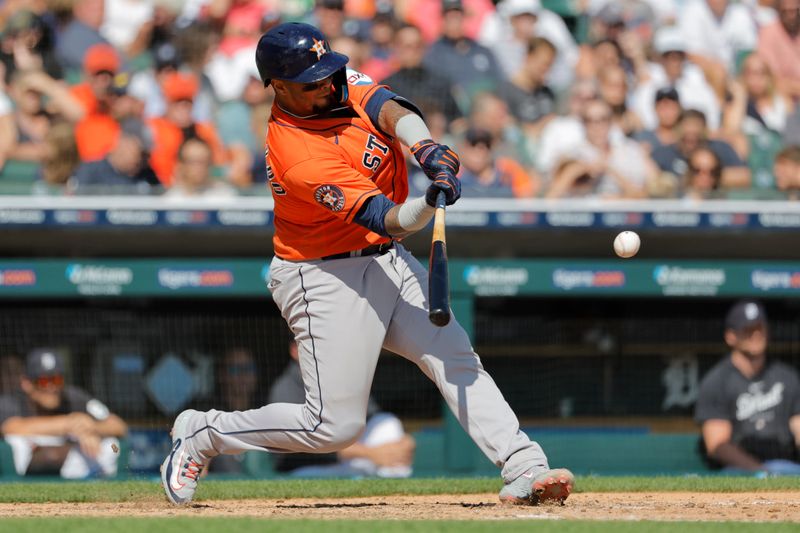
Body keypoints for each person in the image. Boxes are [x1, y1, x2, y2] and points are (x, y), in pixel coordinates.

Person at [161, 21, 573, 507]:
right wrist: (431, 200)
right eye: (311, 80)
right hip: (322, 274)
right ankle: (203, 434)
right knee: (332, 427)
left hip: (384, 258)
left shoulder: (334, 81)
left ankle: (523, 465)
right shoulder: (297, 154)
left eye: (327, 70)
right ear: (279, 87)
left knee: (454, 355)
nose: (326, 83)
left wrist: (425, 149)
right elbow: (388, 218)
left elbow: (387, 107)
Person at [268, 338, 415, 478]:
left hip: (348, 462)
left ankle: (395, 490)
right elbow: (297, 447)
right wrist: (370, 453)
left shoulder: (340, 378)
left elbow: (370, 417)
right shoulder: (285, 388)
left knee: (387, 422)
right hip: (307, 470)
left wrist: (402, 441)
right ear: (295, 350)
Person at [695, 300, 800, 476]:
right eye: (748, 330)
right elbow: (717, 445)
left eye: (760, 328)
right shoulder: (716, 381)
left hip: (785, 465)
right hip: (738, 469)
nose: (756, 334)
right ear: (731, 336)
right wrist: (759, 471)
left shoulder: (787, 377)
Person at [0, 348, 128, 478]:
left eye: (56, 380)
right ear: (27, 383)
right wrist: (70, 423)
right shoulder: (12, 400)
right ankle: (14, 485)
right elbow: (10, 427)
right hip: (30, 463)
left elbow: (118, 425)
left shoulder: (73, 396)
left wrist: (92, 428)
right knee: (14, 442)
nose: (52, 387)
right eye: (43, 381)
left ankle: (98, 485)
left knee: (111, 444)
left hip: (69, 459)